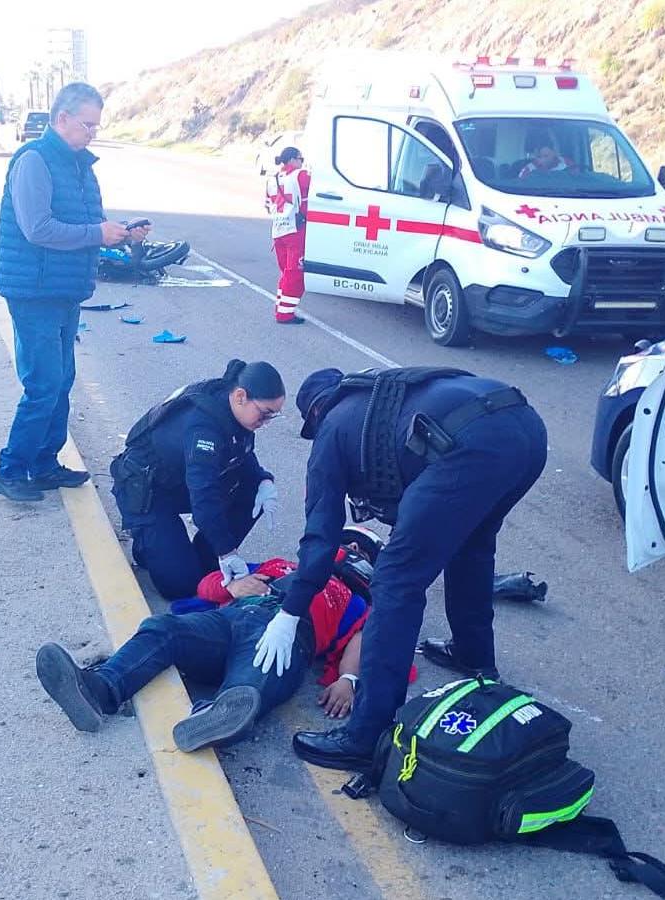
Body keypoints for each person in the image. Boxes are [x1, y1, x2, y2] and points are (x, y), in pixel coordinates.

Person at [268, 366, 547, 771]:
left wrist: (290, 610)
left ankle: (365, 736)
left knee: (396, 581)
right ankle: (474, 657)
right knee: (473, 544)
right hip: (526, 428)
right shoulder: (377, 395)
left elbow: (321, 534)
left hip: (473, 446)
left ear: (314, 413)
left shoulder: (331, 427)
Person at [35, 551, 405, 751]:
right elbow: (211, 584)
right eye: (350, 545)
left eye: (360, 551)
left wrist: (348, 678)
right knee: (164, 629)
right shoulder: (280, 566)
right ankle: (100, 690)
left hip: (287, 639)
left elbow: (365, 639)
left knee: (253, 682)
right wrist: (234, 586)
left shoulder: (356, 601)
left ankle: (217, 716)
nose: (352, 551)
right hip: (230, 619)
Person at [0, 82, 151, 503]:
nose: (92, 133)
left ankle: (45, 463)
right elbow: (38, 228)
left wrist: (120, 233)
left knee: (62, 380)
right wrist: (97, 233)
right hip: (34, 291)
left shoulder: (79, 165)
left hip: (64, 290)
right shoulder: (34, 161)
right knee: (43, 384)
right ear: (61, 119)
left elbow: (85, 226)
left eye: (96, 126)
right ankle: (11, 470)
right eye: (87, 125)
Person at [111, 360, 284, 599]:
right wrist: (227, 552)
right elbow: (204, 496)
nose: (266, 422)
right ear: (240, 397)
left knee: (255, 491)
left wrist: (263, 480)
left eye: (273, 415)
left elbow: (240, 452)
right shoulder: (203, 428)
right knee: (181, 587)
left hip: (180, 480)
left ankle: (204, 555)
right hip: (146, 490)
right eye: (265, 414)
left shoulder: (232, 408)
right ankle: (147, 544)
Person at [265, 146, 311, 324]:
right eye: (301, 159)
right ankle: (285, 314)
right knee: (295, 273)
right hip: (295, 231)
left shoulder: (272, 179)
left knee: (286, 272)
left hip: (278, 231)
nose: (302, 163)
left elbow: (268, 205)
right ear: (292, 159)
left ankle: (281, 307)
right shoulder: (301, 175)